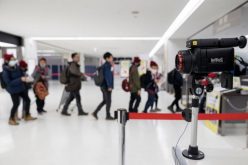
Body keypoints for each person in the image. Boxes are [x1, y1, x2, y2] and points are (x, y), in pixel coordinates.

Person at [2, 56, 36, 125]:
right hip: (13, 90)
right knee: (16, 104)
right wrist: (20, 79)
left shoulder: (17, 67)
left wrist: (27, 78)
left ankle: (27, 115)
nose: (14, 61)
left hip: (21, 88)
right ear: (7, 61)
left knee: (27, 100)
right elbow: (9, 83)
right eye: (11, 60)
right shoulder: (5, 71)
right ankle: (11, 119)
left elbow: (22, 75)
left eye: (14, 59)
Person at [92, 52, 115, 120]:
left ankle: (95, 112)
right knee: (108, 101)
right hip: (106, 86)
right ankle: (108, 116)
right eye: (111, 57)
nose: (112, 58)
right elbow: (108, 76)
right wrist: (110, 86)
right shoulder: (107, 66)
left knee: (105, 100)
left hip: (102, 86)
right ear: (107, 58)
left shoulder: (104, 65)